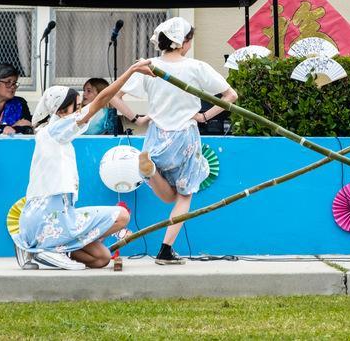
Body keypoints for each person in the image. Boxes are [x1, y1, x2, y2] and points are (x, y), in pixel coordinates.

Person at [12, 59, 154, 270]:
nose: (81, 110)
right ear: (60, 110)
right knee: (122, 215)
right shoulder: (56, 129)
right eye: (76, 106)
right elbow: (102, 98)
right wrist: (131, 71)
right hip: (48, 221)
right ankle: (48, 250)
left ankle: (45, 250)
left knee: (101, 258)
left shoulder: (53, 132)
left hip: (55, 219)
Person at [119, 17, 238, 265]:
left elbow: (115, 96)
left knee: (168, 196)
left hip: (156, 136)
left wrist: (137, 118)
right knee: (183, 196)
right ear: (184, 41)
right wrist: (204, 116)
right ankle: (165, 250)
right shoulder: (196, 67)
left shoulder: (149, 66)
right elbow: (231, 95)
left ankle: (152, 171)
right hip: (185, 136)